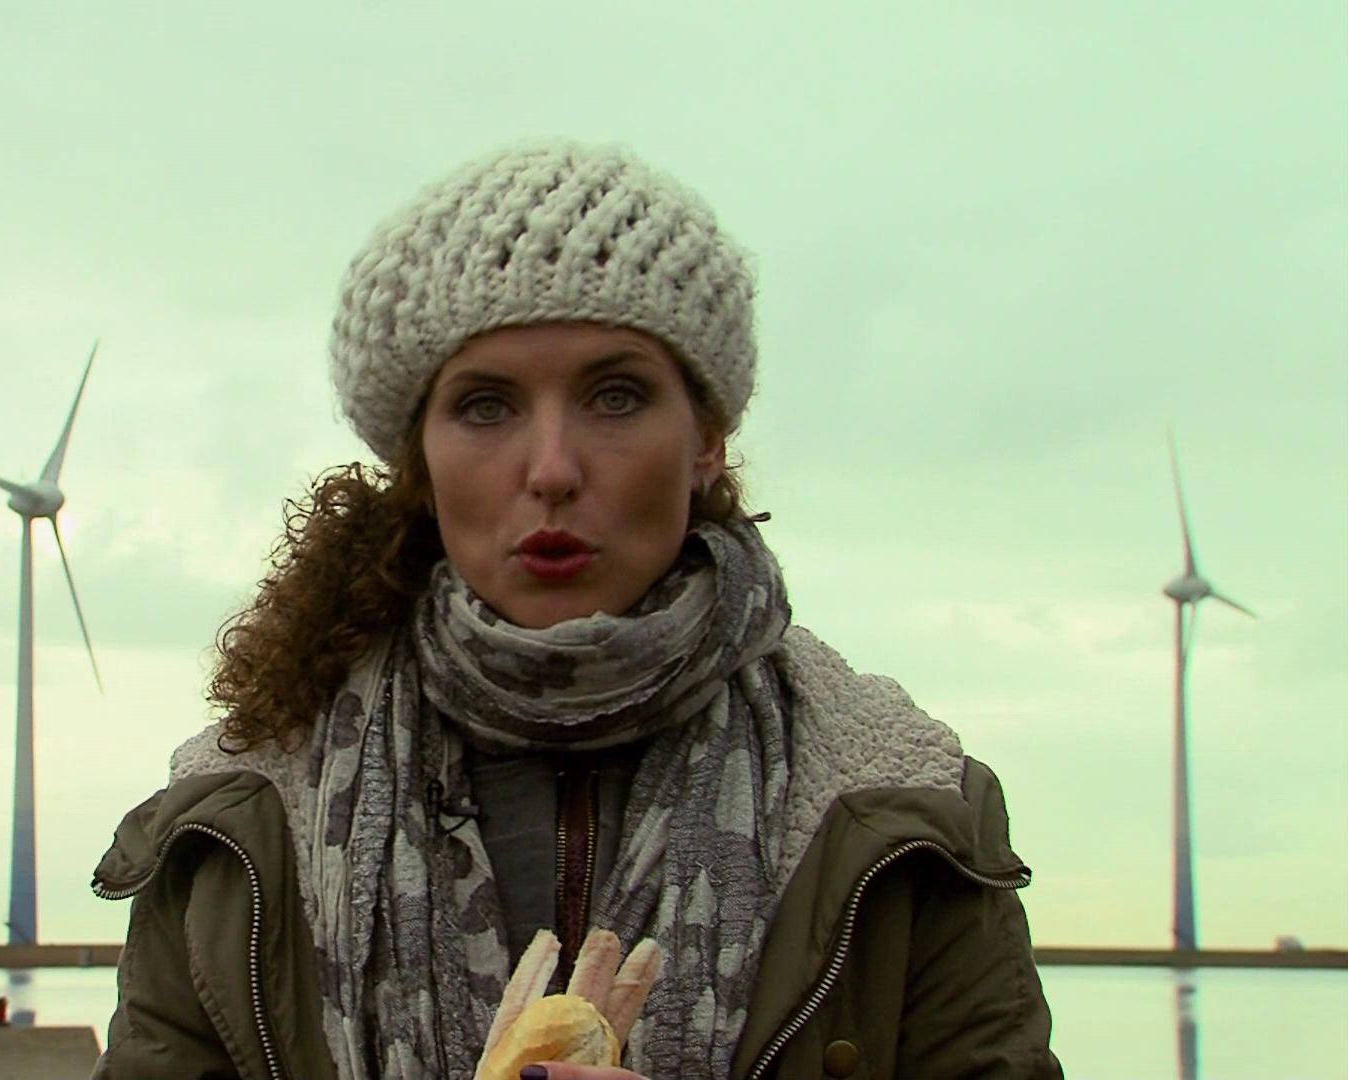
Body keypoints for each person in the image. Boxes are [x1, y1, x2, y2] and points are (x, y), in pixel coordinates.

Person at [90, 138, 1062, 1080]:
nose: (552, 469)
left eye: (616, 396)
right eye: (485, 406)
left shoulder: (903, 807)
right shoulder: (241, 814)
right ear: (418, 460)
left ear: (708, 440)